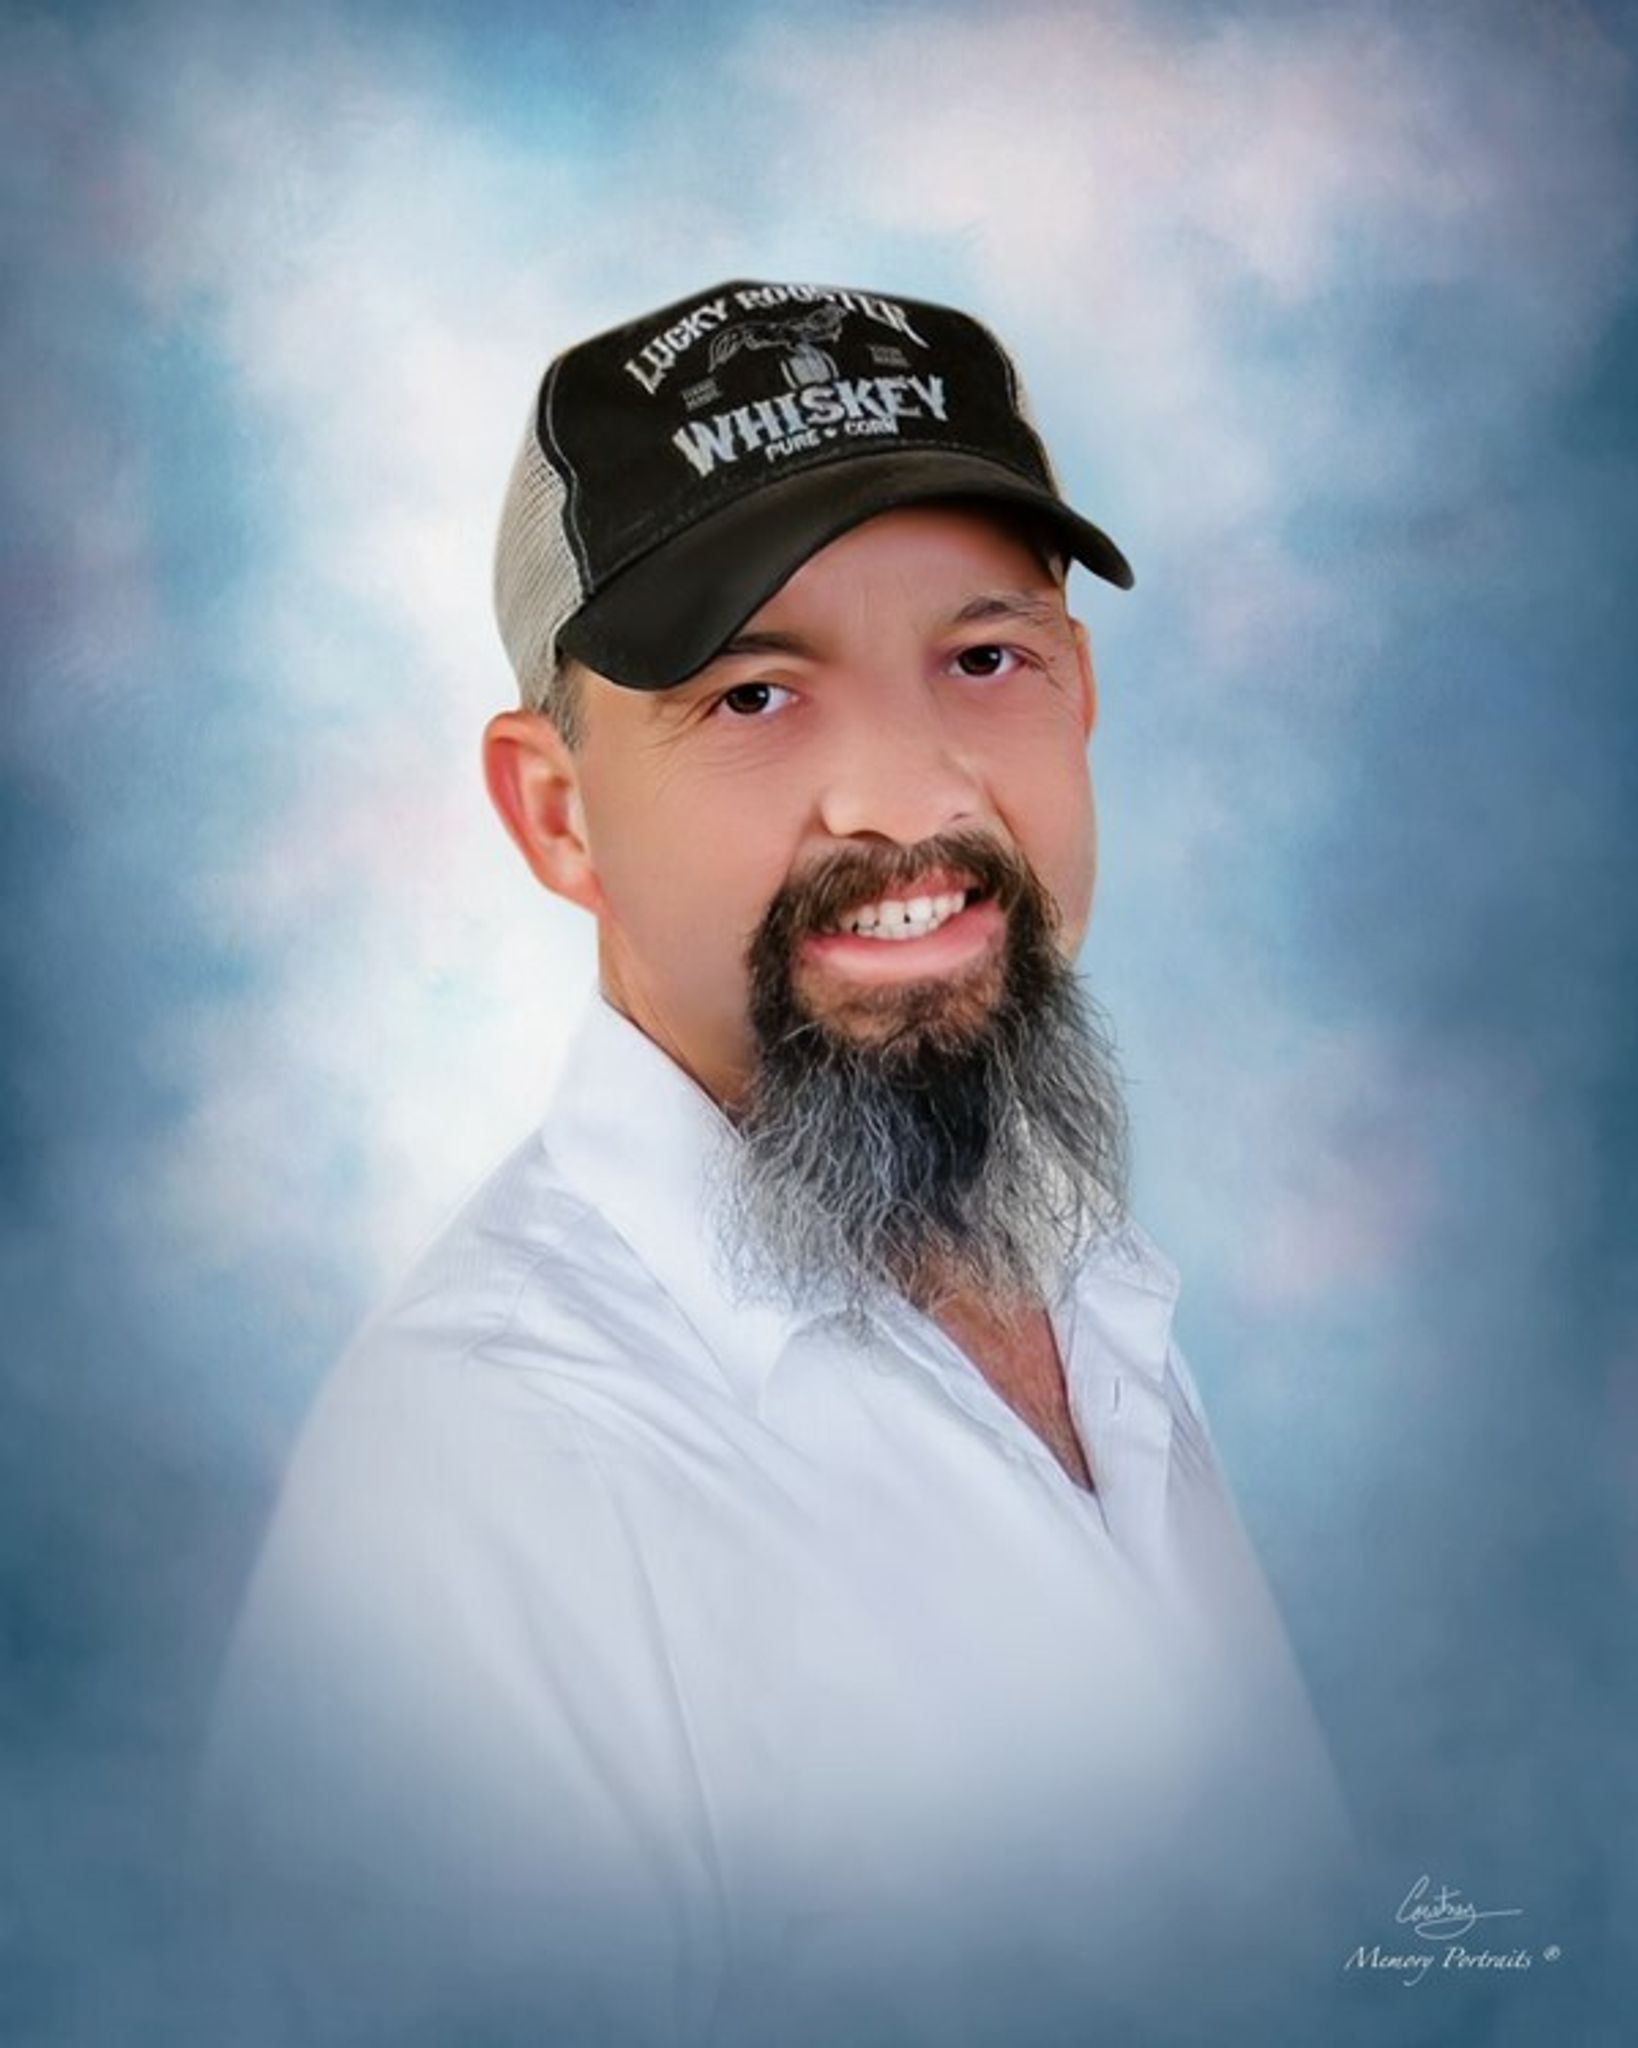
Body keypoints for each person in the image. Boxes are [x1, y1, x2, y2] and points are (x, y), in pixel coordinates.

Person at [198, 278, 1360, 2048]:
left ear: (1080, 693)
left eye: (983, 660)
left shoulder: (1068, 1269)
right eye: (752, 694)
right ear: (556, 814)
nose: (911, 795)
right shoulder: (486, 1490)